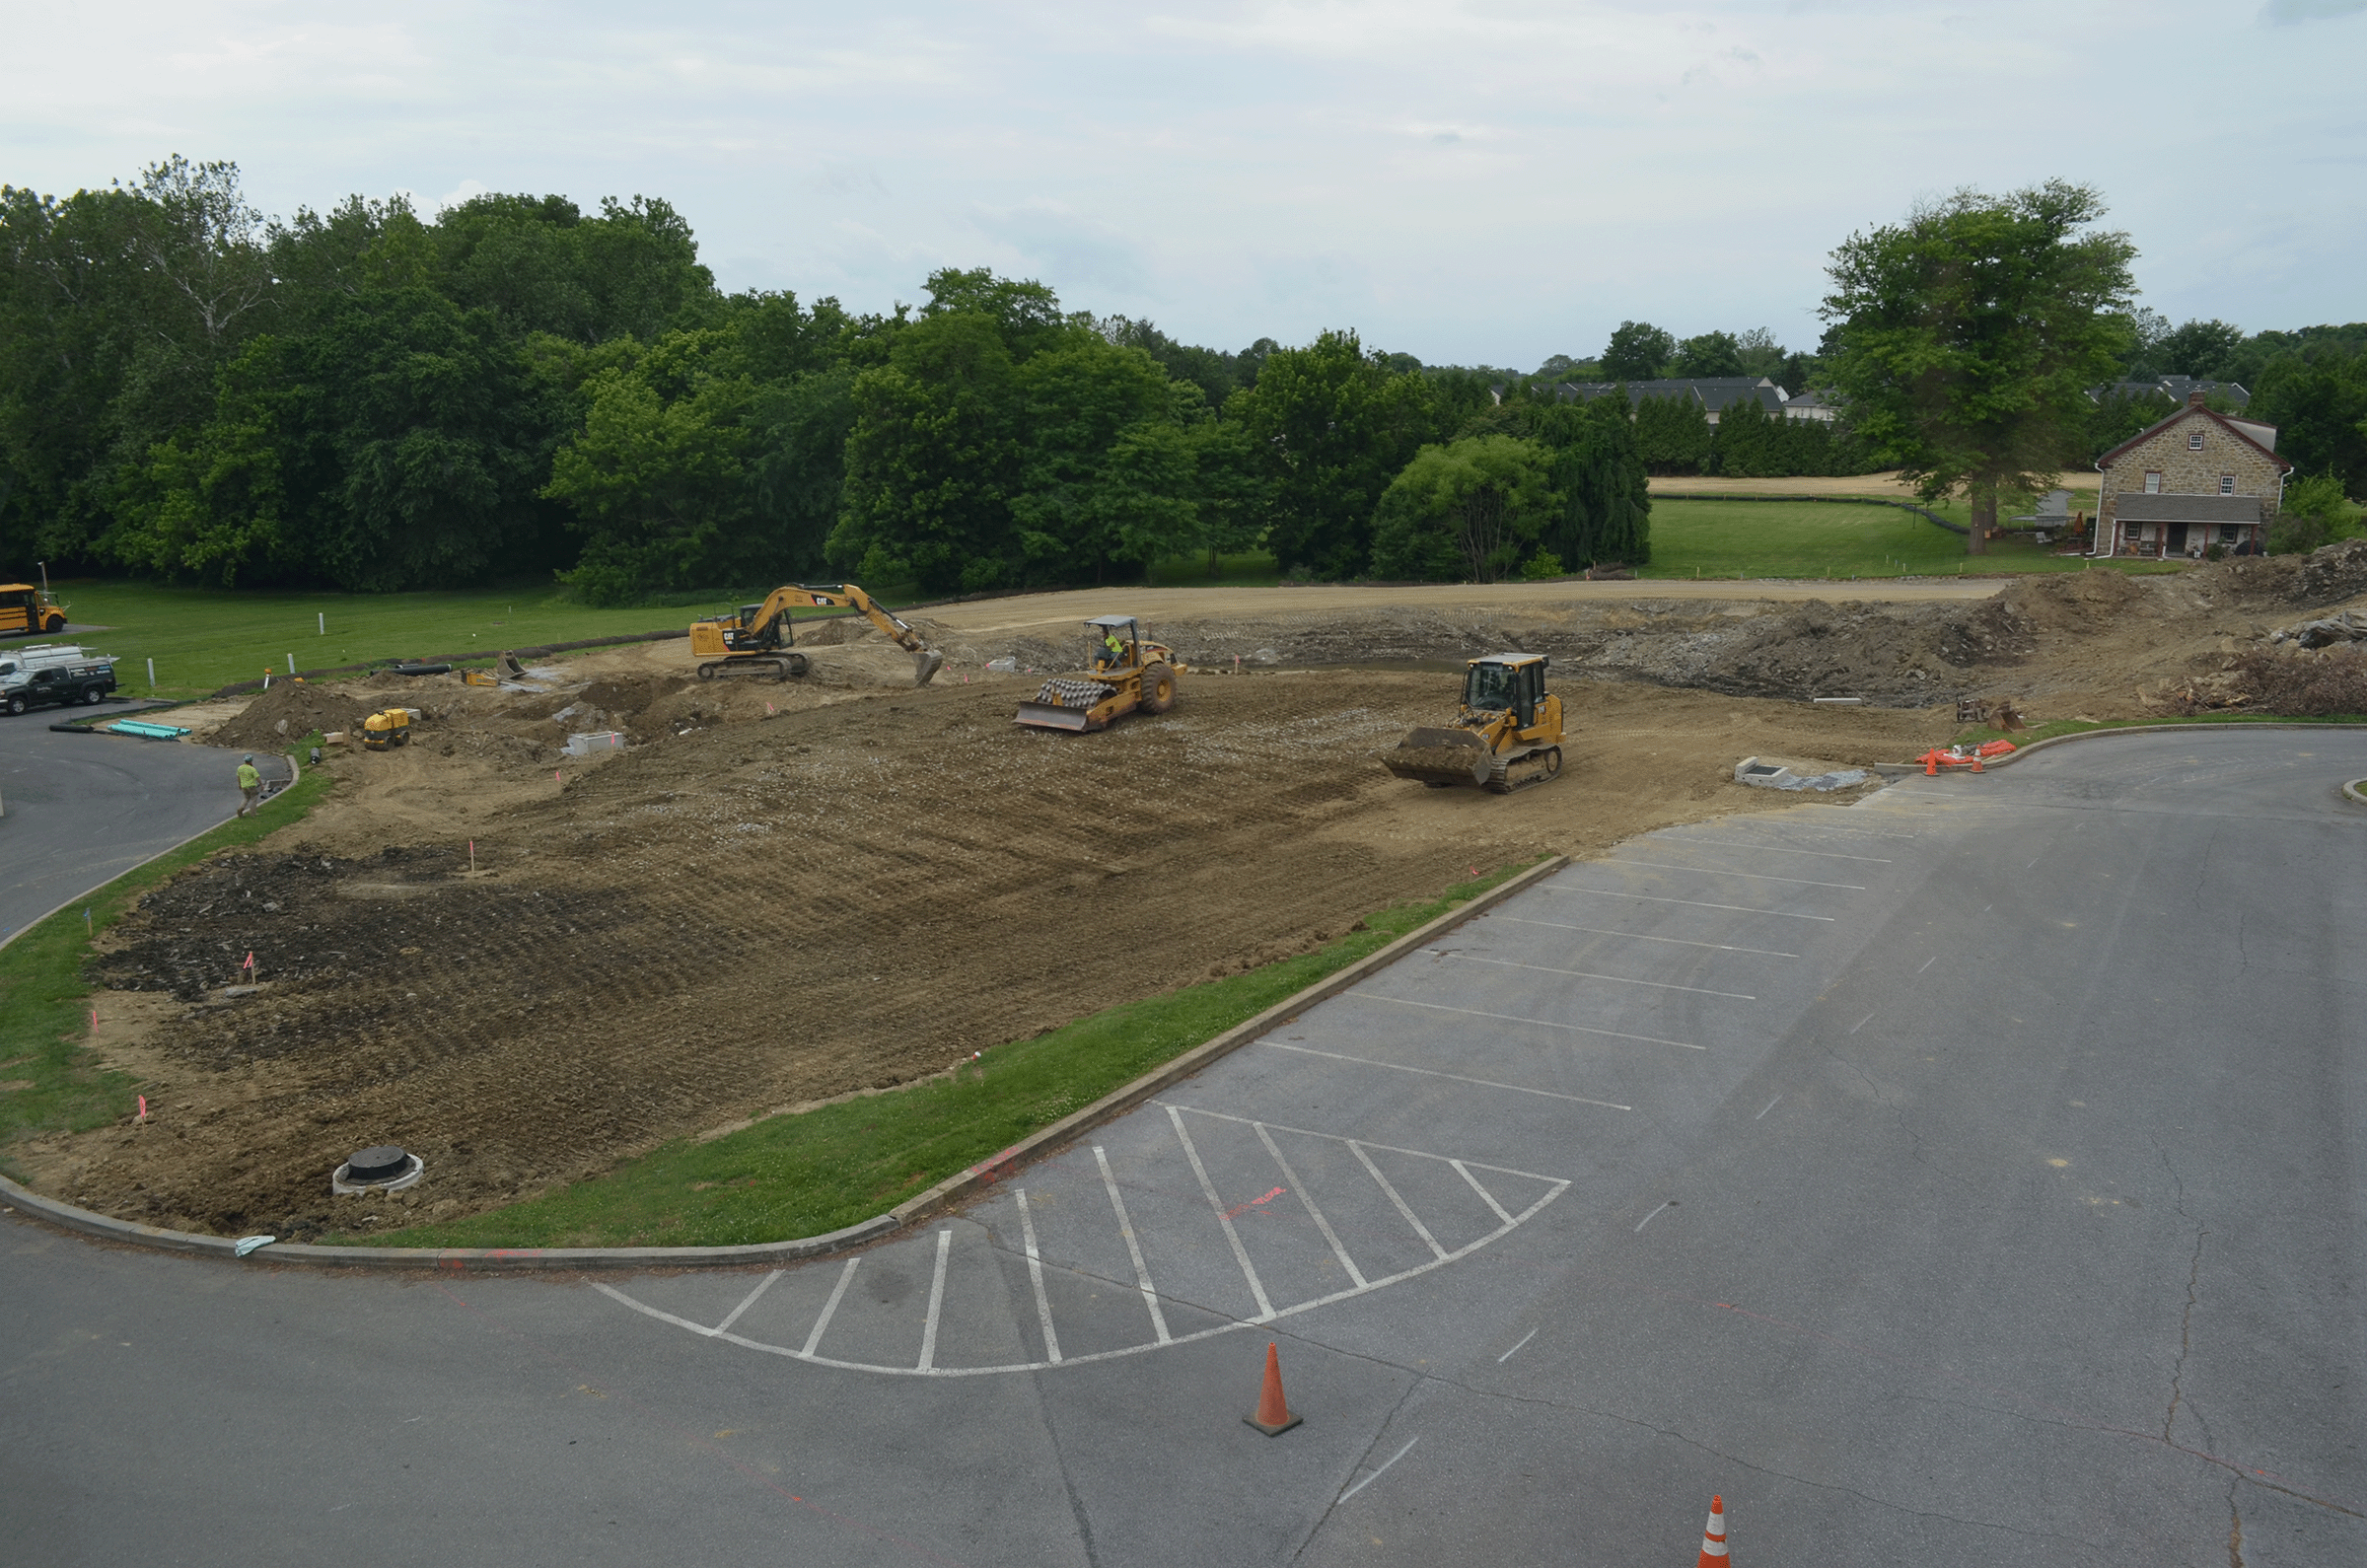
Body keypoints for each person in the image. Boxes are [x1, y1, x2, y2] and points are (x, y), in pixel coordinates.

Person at [235, 753, 262, 818]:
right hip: (251, 786)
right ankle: (253, 813)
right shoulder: (252, 769)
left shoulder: (240, 768)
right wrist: (261, 784)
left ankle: (240, 809)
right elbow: (257, 778)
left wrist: (240, 785)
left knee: (246, 798)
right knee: (254, 798)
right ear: (251, 761)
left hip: (244, 786)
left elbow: (238, 777)